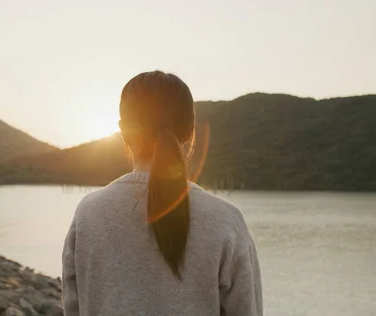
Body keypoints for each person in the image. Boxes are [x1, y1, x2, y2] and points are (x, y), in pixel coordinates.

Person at [62, 70, 262, 316]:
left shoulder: (88, 214)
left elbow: (73, 307)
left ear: (123, 131)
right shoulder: (225, 221)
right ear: (189, 132)